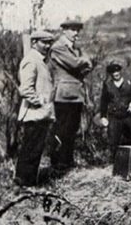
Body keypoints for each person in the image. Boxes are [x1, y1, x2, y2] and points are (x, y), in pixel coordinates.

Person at [49, 20, 93, 172]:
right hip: (64, 94)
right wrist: (85, 60)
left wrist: (84, 62)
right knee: (62, 129)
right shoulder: (58, 47)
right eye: (73, 30)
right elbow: (75, 64)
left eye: (78, 30)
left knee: (72, 130)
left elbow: (86, 68)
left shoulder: (74, 48)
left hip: (76, 94)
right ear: (64, 31)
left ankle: (67, 161)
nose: (76, 33)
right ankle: (57, 161)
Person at [15, 31, 55, 186]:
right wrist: (40, 102)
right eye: (43, 42)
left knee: (35, 150)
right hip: (34, 113)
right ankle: (24, 183)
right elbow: (25, 89)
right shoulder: (31, 60)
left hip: (41, 114)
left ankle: (28, 183)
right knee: (30, 150)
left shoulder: (41, 61)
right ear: (34, 43)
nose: (47, 46)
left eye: (49, 43)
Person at [99, 60, 131, 162]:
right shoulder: (107, 85)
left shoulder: (130, 83)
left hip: (129, 116)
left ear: (120, 71)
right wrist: (103, 116)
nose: (116, 73)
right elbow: (103, 102)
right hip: (114, 117)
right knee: (113, 140)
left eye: (117, 71)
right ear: (110, 73)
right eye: (113, 71)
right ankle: (115, 164)